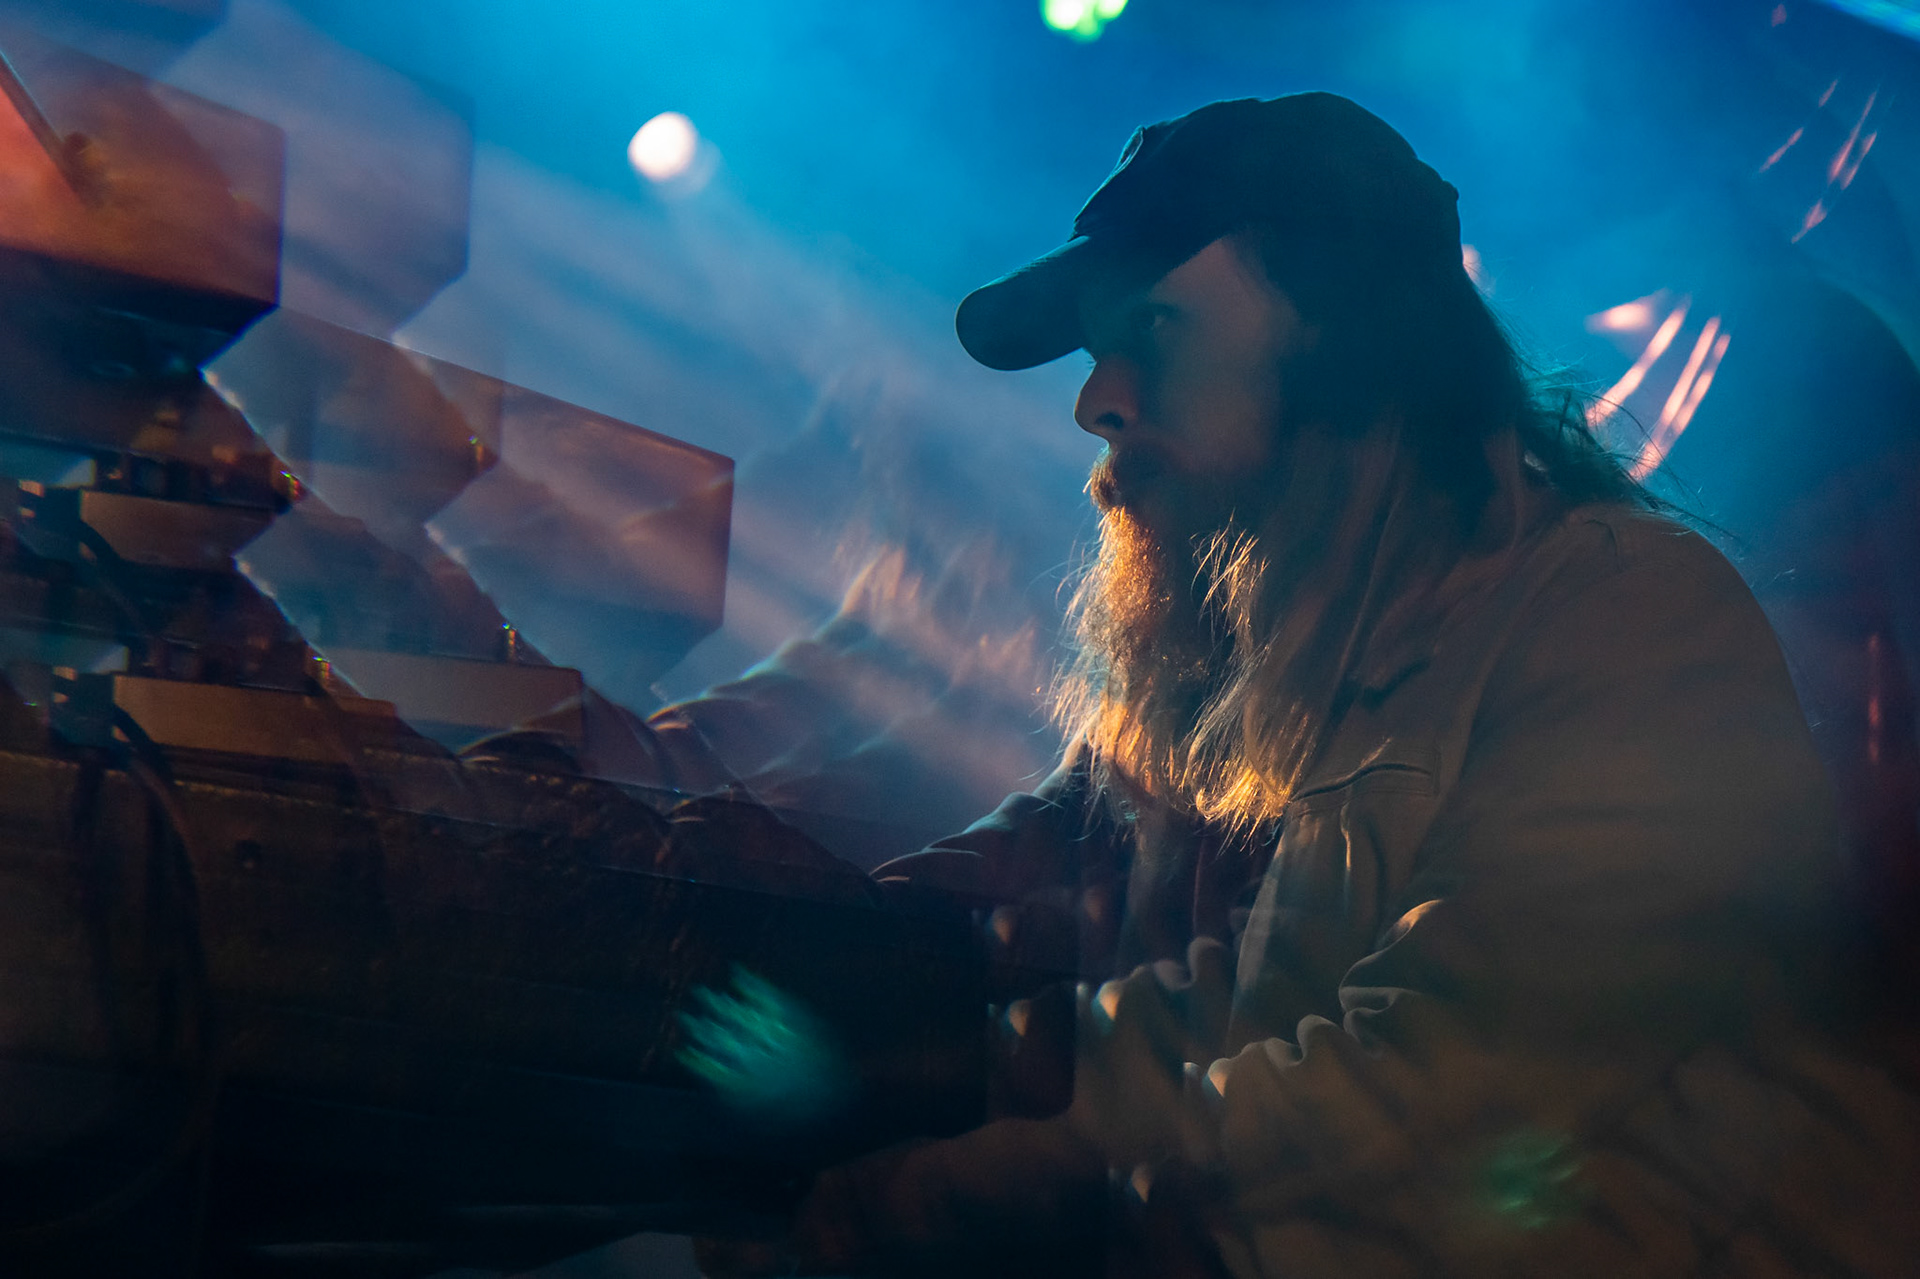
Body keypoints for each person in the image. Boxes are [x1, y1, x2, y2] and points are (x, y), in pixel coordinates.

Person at [698, 92, 1919, 1278]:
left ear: (1346, 346)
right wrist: (935, 1066)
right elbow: (1239, 1008)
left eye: (1153, 329)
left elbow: (1424, 1079)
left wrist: (937, 1197)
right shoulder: (1330, 637)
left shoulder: (1628, 617)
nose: (1094, 400)